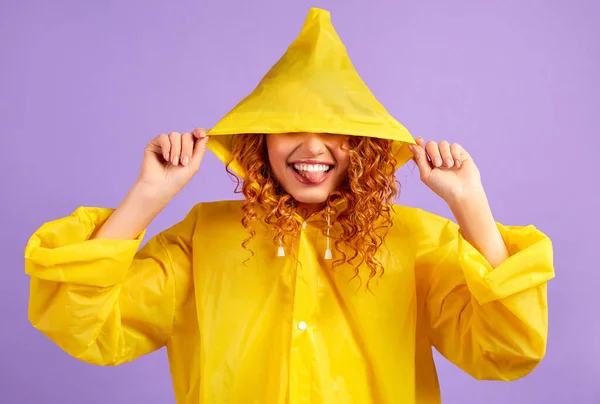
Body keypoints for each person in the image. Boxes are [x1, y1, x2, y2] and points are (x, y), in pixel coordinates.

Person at [23, 7, 554, 404]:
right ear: (260, 142)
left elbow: (506, 350)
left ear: (365, 144)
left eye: (335, 130)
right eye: (289, 126)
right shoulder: (203, 236)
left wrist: (471, 205)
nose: (312, 147)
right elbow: (83, 324)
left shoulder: (415, 241)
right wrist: (148, 196)